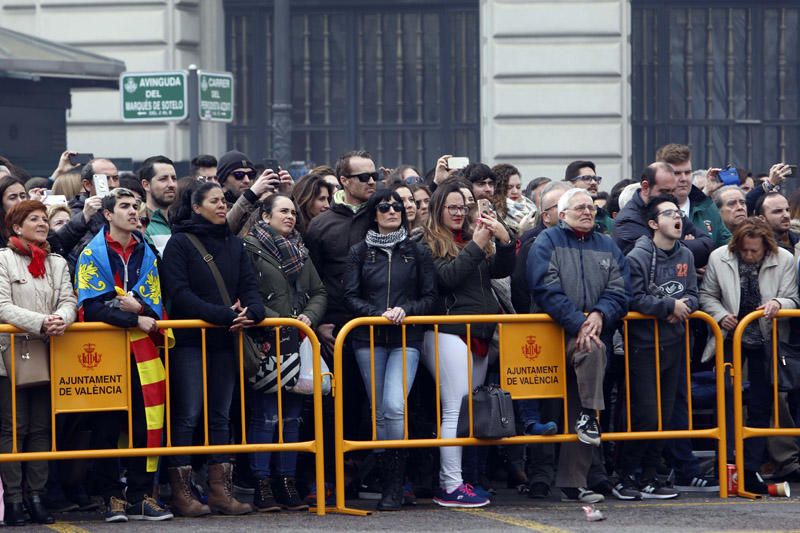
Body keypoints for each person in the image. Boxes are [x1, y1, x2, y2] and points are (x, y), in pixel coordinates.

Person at [161, 181, 265, 515]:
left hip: (225, 340)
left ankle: (221, 492)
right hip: (190, 342)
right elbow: (178, 293)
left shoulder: (234, 243)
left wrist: (254, 313)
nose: (223, 206)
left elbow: (249, 285)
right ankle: (182, 493)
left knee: (221, 416)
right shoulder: (180, 243)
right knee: (188, 414)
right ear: (196, 206)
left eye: (224, 201)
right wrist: (220, 315)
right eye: (215, 201)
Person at [75, 188, 173, 522]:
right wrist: (134, 316)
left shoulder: (146, 252)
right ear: (107, 214)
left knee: (146, 422)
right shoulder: (93, 252)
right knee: (106, 424)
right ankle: (111, 496)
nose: (133, 212)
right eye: (125, 207)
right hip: (104, 352)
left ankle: (141, 495)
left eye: (135, 207)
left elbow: (156, 305)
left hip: (142, 353)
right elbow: (92, 306)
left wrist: (138, 308)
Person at [528, 188, 629, 504]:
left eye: (591, 207)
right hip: (551, 335)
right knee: (552, 410)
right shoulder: (547, 241)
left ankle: (574, 481)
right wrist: (580, 323)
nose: (588, 212)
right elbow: (545, 287)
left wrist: (600, 314)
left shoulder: (608, 245)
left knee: (590, 369)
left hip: (591, 336)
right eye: (579, 207)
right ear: (561, 214)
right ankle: (541, 477)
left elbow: (621, 290)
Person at [421, 181, 514, 508]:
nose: (459, 213)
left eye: (463, 207)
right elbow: (446, 279)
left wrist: (503, 242)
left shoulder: (472, 238)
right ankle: (450, 484)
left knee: (467, 412)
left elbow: (500, 271)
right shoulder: (427, 240)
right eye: (453, 207)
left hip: (479, 333)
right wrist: (477, 244)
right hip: (447, 331)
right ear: (438, 209)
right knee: (454, 408)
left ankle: (462, 480)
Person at [344, 189, 436, 511]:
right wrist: (375, 315)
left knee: (395, 405)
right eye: (384, 207)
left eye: (397, 206)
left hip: (405, 337)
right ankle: (388, 483)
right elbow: (350, 295)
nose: (392, 211)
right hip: (367, 337)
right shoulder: (358, 252)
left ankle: (395, 483)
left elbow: (429, 297)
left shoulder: (417, 251)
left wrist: (405, 311)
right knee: (379, 411)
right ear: (374, 213)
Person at [699, 217, 800, 493]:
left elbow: (793, 296)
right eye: (744, 250)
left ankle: (751, 467)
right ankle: (728, 463)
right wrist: (720, 315)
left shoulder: (785, 259)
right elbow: (707, 294)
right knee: (728, 400)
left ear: (766, 247)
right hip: (731, 338)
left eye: (754, 250)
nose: (749, 255)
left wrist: (779, 303)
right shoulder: (719, 257)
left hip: (767, 341)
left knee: (761, 404)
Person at [243, 194, 326, 512]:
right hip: (265, 340)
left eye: (293, 212)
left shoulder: (301, 251)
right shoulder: (249, 247)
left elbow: (318, 291)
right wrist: (272, 318)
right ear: (265, 217)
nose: (290, 216)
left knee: (292, 416)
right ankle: (262, 483)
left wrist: (310, 316)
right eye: (283, 211)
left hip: (297, 340)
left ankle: (287, 481)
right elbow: (244, 292)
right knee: (265, 417)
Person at [615, 194, 698, 500]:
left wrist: (685, 303)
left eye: (678, 213)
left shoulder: (685, 255)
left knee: (664, 414)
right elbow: (633, 298)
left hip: (675, 343)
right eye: (668, 214)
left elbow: (693, 293)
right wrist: (669, 306)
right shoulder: (637, 256)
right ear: (652, 223)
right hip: (644, 346)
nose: (677, 219)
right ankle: (626, 475)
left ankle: (651, 474)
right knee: (646, 413)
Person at [0, 201, 77, 527]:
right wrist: (42, 322)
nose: (43, 224)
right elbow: (2, 306)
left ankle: (36, 496)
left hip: (48, 354)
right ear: (17, 227)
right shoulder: (3, 259)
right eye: (34, 219)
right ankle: (14, 499)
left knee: (42, 428)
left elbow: (69, 300)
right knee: (12, 428)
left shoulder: (57, 262)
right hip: (8, 355)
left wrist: (61, 319)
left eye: (45, 219)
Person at [614, 162, 714, 267]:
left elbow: (708, 244)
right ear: (645, 187)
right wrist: (681, 248)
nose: (670, 197)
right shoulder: (627, 220)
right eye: (664, 191)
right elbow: (654, 258)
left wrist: (677, 247)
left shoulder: (672, 210)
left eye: (673, 191)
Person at [655, 143, 731, 247]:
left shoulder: (707, 207)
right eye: (676, 173)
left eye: (687, 172)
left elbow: (728, 245)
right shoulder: (652, 210)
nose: (684, 179)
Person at [139, 156, 178, 257]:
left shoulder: (180, 221)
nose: (172, 184)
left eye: (174, 178)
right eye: (163, 179)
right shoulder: (139, 223)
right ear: (146, 185)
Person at [563, 160, 613, 233]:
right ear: (571, 184)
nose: (594, 183)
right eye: (586, 178)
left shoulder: (609, 222)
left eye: (596, 179)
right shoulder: (562, 218)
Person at [492, 163, 536, 235]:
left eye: (518, 187)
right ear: (498, 189)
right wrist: (521, 231)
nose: (515, 191)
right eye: (509, 187)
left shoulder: (531, 207)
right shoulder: (495, 215)